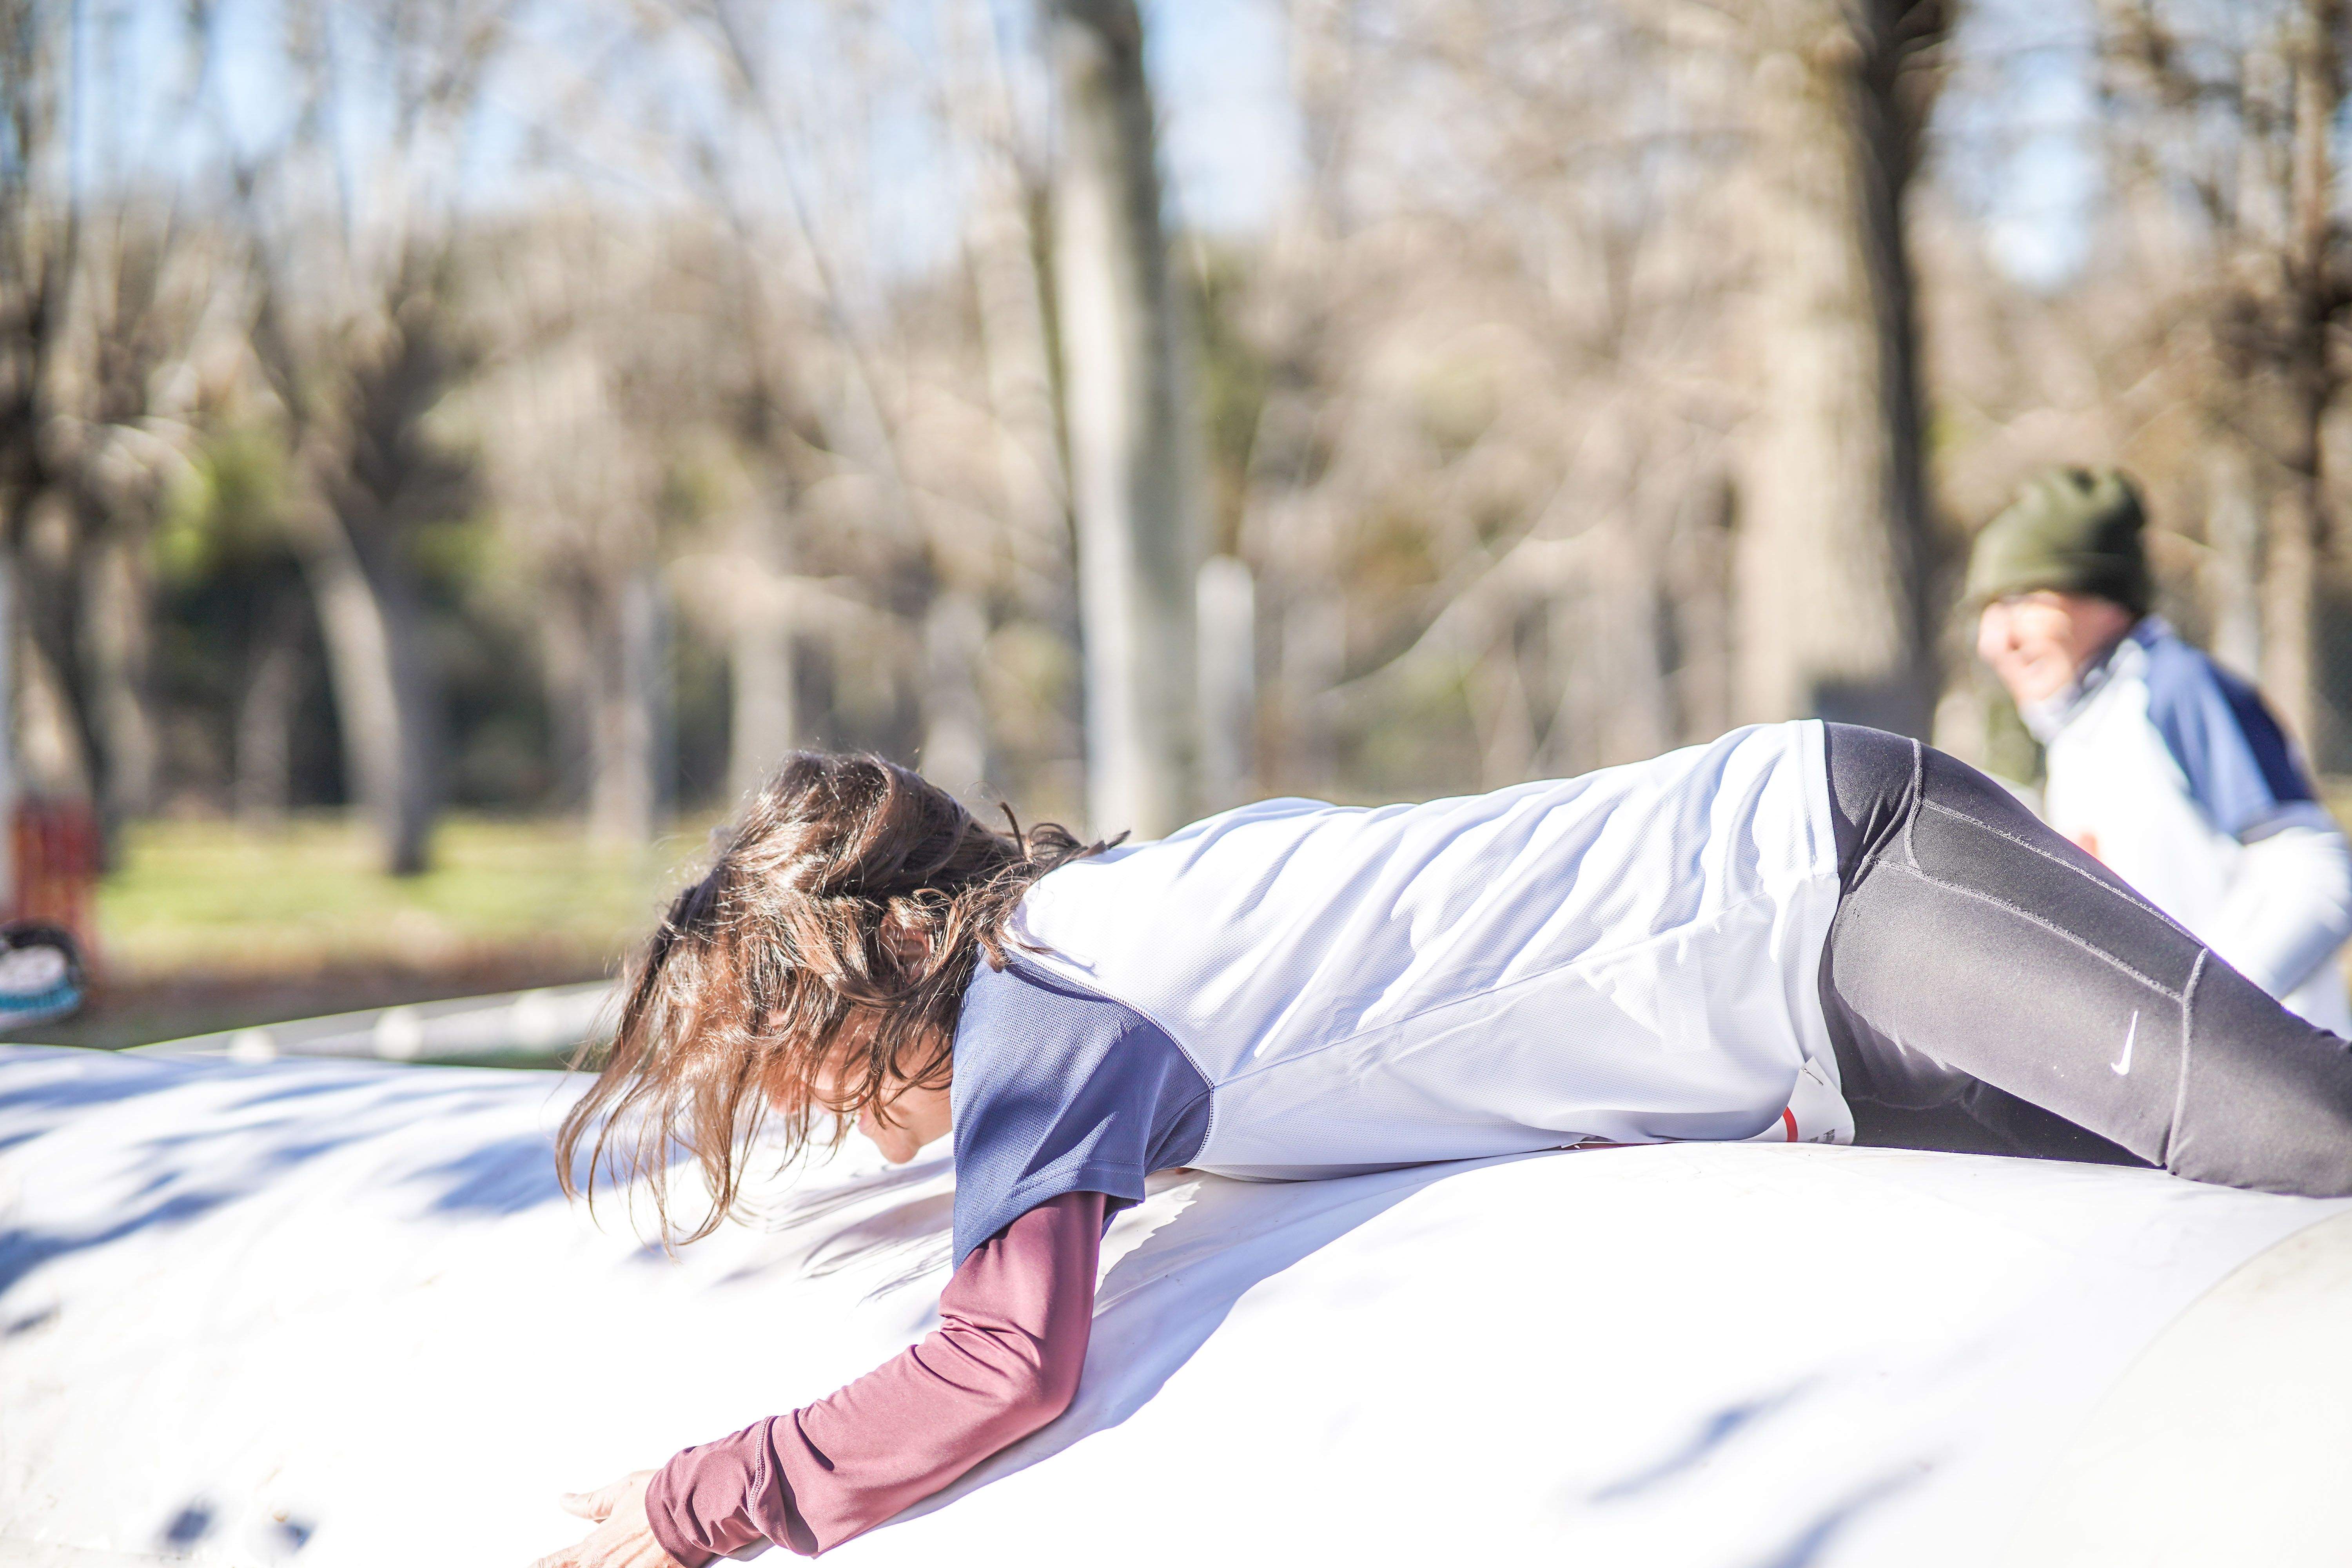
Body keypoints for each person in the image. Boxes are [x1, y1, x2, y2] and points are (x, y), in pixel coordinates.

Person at [536, 728, 2352, 1567]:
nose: (831, 1117)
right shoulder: (1077, 956)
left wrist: (705, 1496)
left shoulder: (1050, 997)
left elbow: (1005, 1357)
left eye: (825, 1068)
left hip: (1836, 875)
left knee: (2311, 1138)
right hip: (1805, 1014)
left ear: (901, 960)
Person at [1968, 466, 2352, 1033]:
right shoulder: (2075, 729)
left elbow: (2319, 875)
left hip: (2269, 1097)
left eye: (2024, 600)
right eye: (1990, 609)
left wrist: (2202, 1015)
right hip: (2172, 1097)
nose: (1996, 641)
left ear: (2105, 596)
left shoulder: (2174, 689)